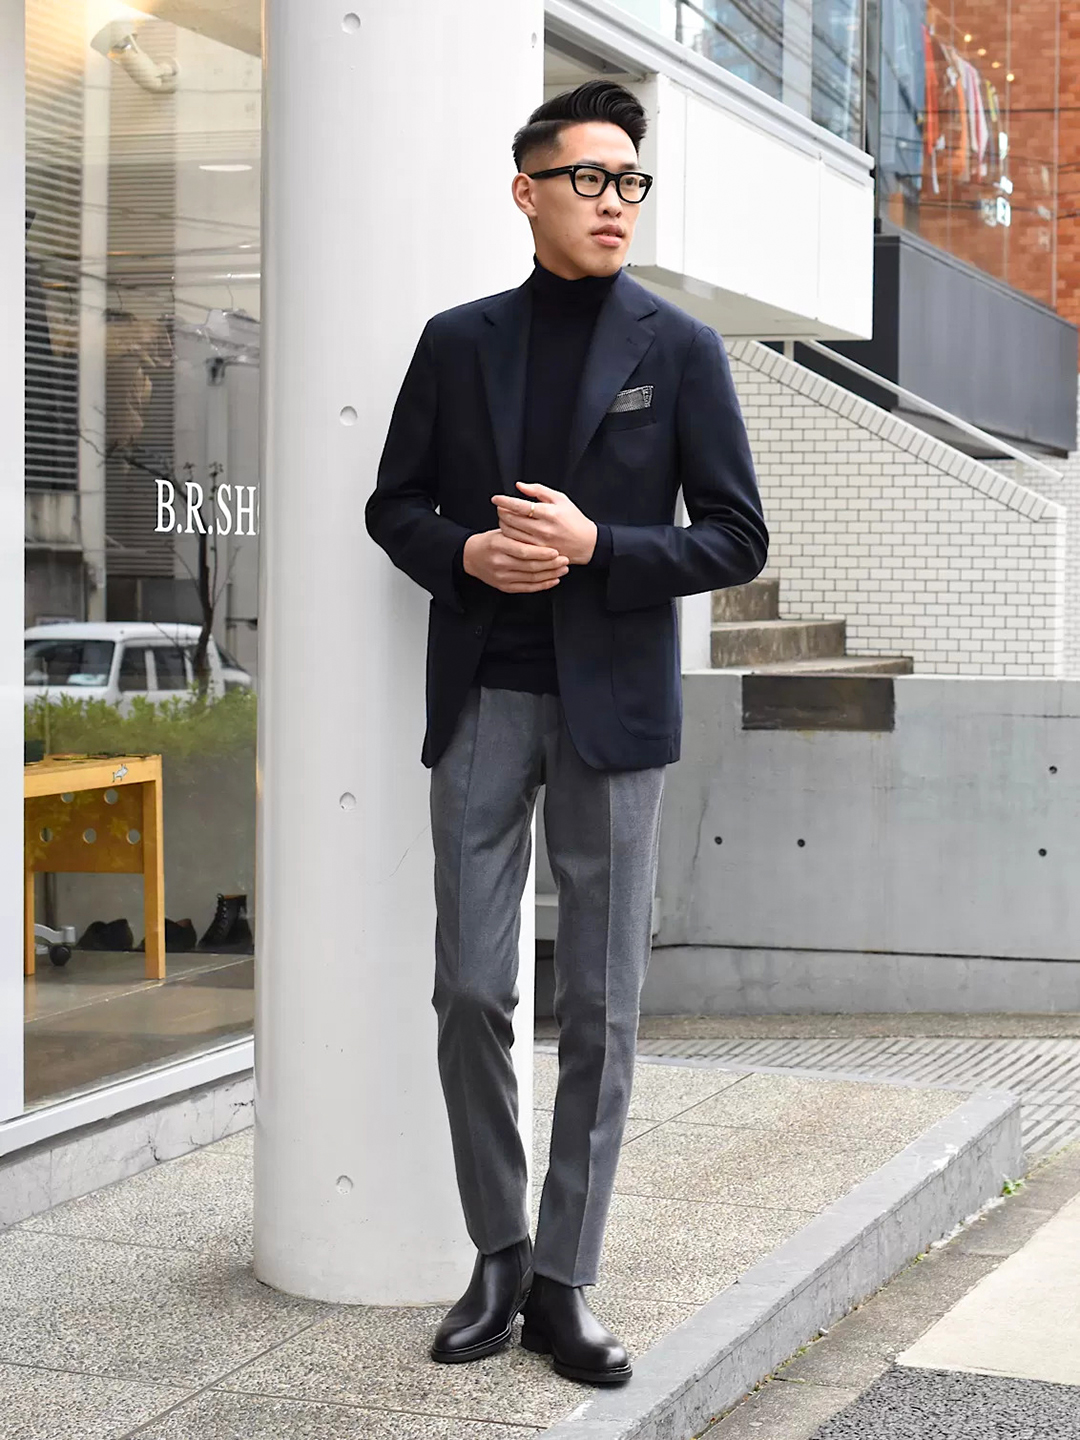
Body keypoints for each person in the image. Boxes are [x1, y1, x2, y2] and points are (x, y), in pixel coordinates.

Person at [364, 79, 768, 1386]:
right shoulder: (458, 339)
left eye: (630, 182)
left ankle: (563, 1282)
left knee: (600, 1005)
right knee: (473, 984)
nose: (614, 202)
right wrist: (468, 551)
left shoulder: (681, 349)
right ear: (527, 188)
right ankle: (496, 1249)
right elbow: (394, 506)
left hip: (617, 710)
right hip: (488, 690)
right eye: (589, 178)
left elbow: (736, 537)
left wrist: (602, 547)